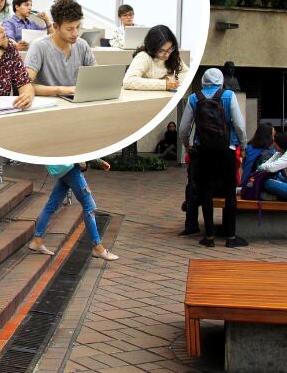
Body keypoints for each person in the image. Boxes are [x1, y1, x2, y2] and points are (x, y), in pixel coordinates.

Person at [178, 68, 248, 248]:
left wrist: (188, 145)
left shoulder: (194, 98)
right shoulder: (229, 95)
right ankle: (231, 238)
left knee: (206, 192)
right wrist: (243, 144)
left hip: (204, 152)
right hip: (227, 150)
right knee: (230, 192)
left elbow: (184, 129)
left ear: (203, 81)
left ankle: (209, 237)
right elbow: (239, 125)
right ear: (221, 80)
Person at [28, 161, 118, 260]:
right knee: (90, 207)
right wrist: (99, 162)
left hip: (63, 170)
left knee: (50, 207)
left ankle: (37, 239)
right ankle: (98, 247)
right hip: (71, 169)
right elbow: (80, 149)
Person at [25, 0, 96, 97]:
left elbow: (97, 78)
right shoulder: (39, 46)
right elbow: (26, 86)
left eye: (78, 27)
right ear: (55, 27)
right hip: (49, 105)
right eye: (69, 29)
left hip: (76, 103)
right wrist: (61, 90)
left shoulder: (82, 45)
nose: (75, 33)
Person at [122, 25, 187, 91]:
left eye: (170, 49)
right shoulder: (143, 57)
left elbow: (186, 72)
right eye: (161, 51)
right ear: (152, 48)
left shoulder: (172, 55)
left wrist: (173, 81)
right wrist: (164, 84)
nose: (167, 55)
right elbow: (128, 81)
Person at [257, 131, 287, 200]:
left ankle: (277, 197)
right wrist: (262, 167)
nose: (273, 144)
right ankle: (279, 197)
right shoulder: (279, 153)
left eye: (274, 142)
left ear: (281, 143)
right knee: (271, 178)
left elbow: (271, 168)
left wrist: (262, 167)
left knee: (268, 183)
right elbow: (266, 164)